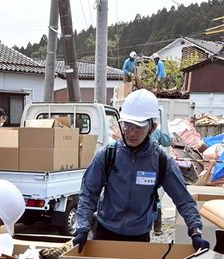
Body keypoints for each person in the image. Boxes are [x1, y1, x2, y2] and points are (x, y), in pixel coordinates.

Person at [74, 89, 207, 250]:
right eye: (127, 125)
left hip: (139, 238)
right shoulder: (108, 155)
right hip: (104, 233)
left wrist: (195, 231)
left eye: (138, 127)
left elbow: (183, 199)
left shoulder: (161, 161)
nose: (131, 133)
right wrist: (82, 228)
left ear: (152, 127)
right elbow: (88, 193)